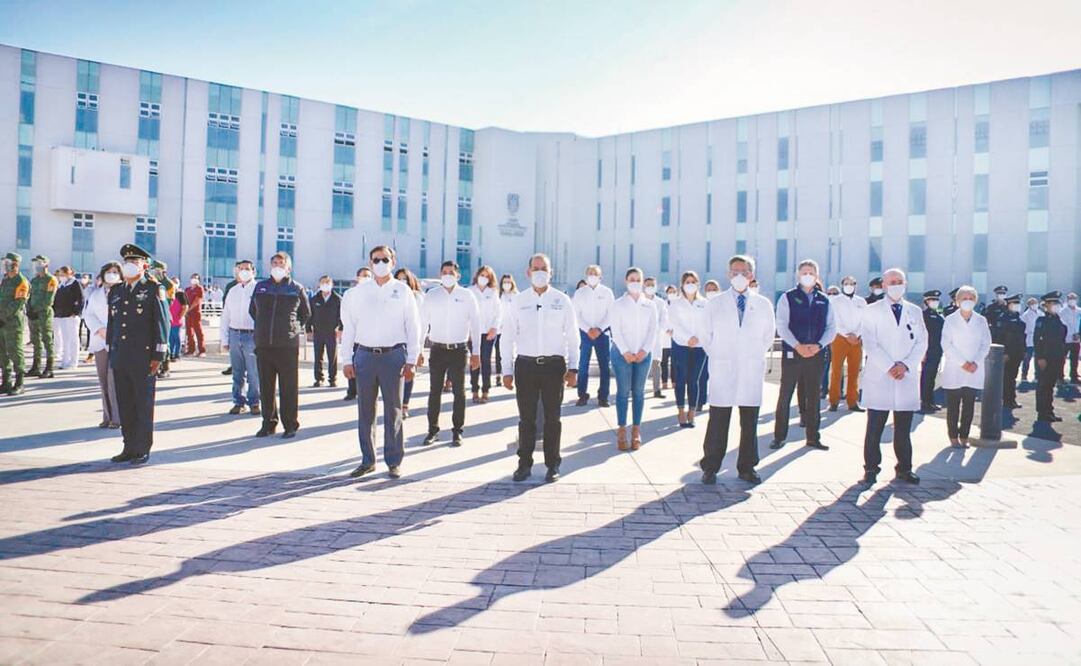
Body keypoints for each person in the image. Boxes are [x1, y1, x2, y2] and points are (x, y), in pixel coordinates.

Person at [342, 246, 421, 479]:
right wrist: (346, 359)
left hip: (393, 356)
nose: (380, 264)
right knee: (365, 411)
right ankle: (367, 460)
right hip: (364, 355)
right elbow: (349, 327)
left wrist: (412, 359)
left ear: (393, 262)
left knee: (393, 410)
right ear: (370, 262)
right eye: (376, 260)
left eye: (385, 259)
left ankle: (394, 461)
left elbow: (413, 326)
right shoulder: (358, 292)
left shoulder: (403, 291)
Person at [501, 253, 579, 483]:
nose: (539, 273)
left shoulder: (562, 300)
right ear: (528, 272)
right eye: (535, 269)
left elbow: (572, 336)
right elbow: (508, 337)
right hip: (526, 366)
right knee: (526, 419)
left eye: (543, 269)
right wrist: (506, 370)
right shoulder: (519, 301)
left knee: (553, 418)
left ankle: (552, 464)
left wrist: (573, 368)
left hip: (553, 366)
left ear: (550, 272)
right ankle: (524, 464)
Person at [700, 255, 775, 485]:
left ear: (752, 275)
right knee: (718, 419)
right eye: (735, 271)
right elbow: (705, 335)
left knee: (749, 420)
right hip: (723, 366)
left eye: (744, 271)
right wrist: (720, 355)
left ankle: (747, 467)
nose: (739, 276)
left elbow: (768, 336)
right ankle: (710, 467)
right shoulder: (715, 303)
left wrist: (751, 354)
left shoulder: (763, 304)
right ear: (728, 274)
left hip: (750, 367)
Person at [859, 268, 926, 485]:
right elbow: (870, 343)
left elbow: (921, 342)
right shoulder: (871, 310)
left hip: (905, 375)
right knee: (875, 427)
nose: (896, 285)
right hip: (881, 375)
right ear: (884, 285)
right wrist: (889, 366)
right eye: (892, 282)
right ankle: (871, 468)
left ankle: (904, 468)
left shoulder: (915, 311)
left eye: (899, 281)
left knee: (903, 428)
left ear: (905, 284)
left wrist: (905, 365)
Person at [107, 244, 168, 464]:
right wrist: (111, 350)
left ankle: (142, 448)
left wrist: (158, 356)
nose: (130, 266)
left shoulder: (153, 289)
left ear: (144, 266)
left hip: (143, 357)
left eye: (135, 262)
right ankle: (129, 446)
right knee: (125, 404)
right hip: (121, 356)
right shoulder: (116, 290)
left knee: (143, 404)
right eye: (127, 262)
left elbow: (162, 324)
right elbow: (112, 324)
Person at [770, 260, 836, 451]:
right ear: (798, 275)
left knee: (814, 398)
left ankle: (813, 437)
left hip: (816, 354)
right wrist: (797, 346)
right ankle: (779, 437)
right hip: (793, 353)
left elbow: (831, 328)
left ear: (817, 275)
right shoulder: (788, 297)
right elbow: (782, 325)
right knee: (785, 395)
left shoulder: (824, 300)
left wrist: (819, 345)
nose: (808, 275)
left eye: (811, 272)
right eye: (804, 272)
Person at [249, 252, 310, 439]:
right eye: (274, 263)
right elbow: (253, 311)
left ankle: (290, 424)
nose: (277, 266)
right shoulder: (261, 287)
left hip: (287, 346)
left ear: (288, 267)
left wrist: (292, 329)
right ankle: (268, 423)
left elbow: (305, 314)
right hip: (264, 345)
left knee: (288, 387)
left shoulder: (296, 288)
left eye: (281, 263)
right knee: (266, 387)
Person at [421, 260, 482, 447]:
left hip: (458, 350)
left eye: (451, 272)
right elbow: (423, 323)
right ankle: (433, 430)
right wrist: (418, 349)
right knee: (435, 391)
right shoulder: (432, 295)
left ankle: (457, 431)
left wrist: (476, 352)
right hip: (437, 349)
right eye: (445, 272)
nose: (448, 275)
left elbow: (476, 324)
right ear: (440, 274)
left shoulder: (467, 295)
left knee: (459, 392)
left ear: (458, 275)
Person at [609, 267, 657, 451]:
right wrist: (626, 352)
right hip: (622, 355)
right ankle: (622, 429)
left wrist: (644, 350)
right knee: (623, 391)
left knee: (638, 392)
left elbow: (653, 330)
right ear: (626, 281)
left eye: (638, 279)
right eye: (632, 279)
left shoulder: (649, 305)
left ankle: (636, 430)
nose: (635, 282)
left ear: (643, 282)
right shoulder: (618, 304)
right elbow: (616, 331)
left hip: (643, 354)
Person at [941, 286, 992, 448]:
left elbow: (986, 343)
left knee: (969, 406)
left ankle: (964, 436)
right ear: (957, 301)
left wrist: (975, 362)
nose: (967, 301)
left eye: (971, 298)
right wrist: (963, 363)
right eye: (964, 298)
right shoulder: (950, 319)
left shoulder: (981, 320)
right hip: (955, 368)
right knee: (953, 406)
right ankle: (953, 436)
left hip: (974, 369)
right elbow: (946, 344)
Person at [220, 260, 260, 416]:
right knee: (237, 372)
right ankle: (238, 401)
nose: (244, 271)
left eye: (247, 269)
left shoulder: (259, 289)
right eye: (241, 269)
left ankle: (254, 401)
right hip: (235, 334)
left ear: (253, 271)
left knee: (253, 372)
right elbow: (226, 315)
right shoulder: (233, 290)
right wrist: (224, 339)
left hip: (252, 335)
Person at [84, 262, 122, 428]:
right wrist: (99, 329)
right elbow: (88, 314)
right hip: (100, 340)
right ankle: (107, 416)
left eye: (115, 272)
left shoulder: (124, 292)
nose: (112, 275)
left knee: (115, 380)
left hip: (119, 341)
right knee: (103, 380)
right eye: (109, 271)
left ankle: (117, 418)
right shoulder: (96, 294)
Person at [669, 271, 708, 428]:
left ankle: (692, 412)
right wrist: (688, 338)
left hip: (700, 346)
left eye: (693, 282)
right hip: (681, 345)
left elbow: (707, 323)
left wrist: (698, 338)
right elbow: (674, 323)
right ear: (682, 285)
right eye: (687, 282)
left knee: (694, 380)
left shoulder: (704, 303)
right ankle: (680, 411)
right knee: (681, 379)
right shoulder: (676, 304)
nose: (690, 285)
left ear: (698, 284)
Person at [572, 264, 615, 408]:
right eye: (590, 273)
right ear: (586, 275)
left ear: (600, 276)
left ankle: (603, 397)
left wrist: (599, 329)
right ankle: (582, 395)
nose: (592, 276)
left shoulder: (607, 292)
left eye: (595, 273)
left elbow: (611, 314)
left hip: (602, 334)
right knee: (583, 365)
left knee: (605, 366)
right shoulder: (580, 293)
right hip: (584, 334)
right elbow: (575, 314)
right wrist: (587, 329)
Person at [828, 275, 866, 412]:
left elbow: (864, 320)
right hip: (840, 338)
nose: (849, 286)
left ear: (856, 285)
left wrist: (857, 334)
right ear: (842, 285)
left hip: (857, 339)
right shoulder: (835, 301)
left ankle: (852, 401)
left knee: (854, 371)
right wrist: (846, 334)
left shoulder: (861, 301)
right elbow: (835, 320)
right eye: (846, 283)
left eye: (852, 283)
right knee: (836, 370)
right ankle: (834, 401)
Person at [394, 267, 425, 418]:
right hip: (394, 342)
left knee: (408, 373)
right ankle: (396, 405)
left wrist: (420, 348)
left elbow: (422, 324)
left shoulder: (418, 297)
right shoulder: (392, 295)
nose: (402, 282)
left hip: (411, 341)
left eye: (405, 279)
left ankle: (404, 404)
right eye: (399, 279)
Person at [468, 265, 502, 403]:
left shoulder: (492, 292)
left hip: (488, 333)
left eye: (487, 276)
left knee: (486, 361)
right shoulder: (470, 291)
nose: (484, 278)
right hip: (473, 333)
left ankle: (486, 390)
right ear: (477, 275)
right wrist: (468, 331)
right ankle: (474, 390)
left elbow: (498, 313)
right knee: (475, 361)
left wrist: (494, 328)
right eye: (482, 275)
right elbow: (466, 313)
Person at [1033, 291, 1067, 423]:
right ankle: (1042, 412)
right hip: (1045, 358)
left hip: (1056, 358)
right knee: (1044, 385)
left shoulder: (1058, 320)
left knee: (1050, 386)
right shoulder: (1042, 320)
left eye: (1057, 303)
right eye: (1053, 303)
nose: (1056, 305)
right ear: (1046, 305)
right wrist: (1040, 357)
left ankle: (1049, 411)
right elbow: (1037, 340)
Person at [341, 266, 373, 401]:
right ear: (357, 278)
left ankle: (366, 392)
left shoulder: (376, 293)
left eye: (368, 276)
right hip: (356, 338)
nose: (366, 278)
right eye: (363, 275)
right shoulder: (350, 294)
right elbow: (346, 317)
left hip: (371, 338)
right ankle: (352, 391)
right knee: (354, 365)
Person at [0, 252, 30, 395]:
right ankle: (6, 382)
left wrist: (3, 317)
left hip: (13, 322)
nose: (4, 266)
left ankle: (20, 382)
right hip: (1, 321)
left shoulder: (21, 281)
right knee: (2, 351)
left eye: (7, 263)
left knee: (15, 351)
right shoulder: (6, 280)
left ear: (15, 265)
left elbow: (18, 303)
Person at [307, 275, 343, 388]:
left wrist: (341, 329)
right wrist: (308, 329)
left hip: (332, 332)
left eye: (327, 282)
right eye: (323, 282)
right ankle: (318, 378)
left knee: (332, 357)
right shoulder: (314, 299)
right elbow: (309, 315)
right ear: (319, 284)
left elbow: (342, 316)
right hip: (318, 331)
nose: (325, 285)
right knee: (318, 356)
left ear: (332, 284)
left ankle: (332, 379)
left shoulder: (337, 299)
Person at [993, 293, 1026, 410]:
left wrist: (1023, 350)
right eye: (1015, 303)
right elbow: (999, 337)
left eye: (1018, 303)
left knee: (1012, 377)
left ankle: (1011, 399)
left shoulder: (1018, 317)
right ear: (1009, 304)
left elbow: (1021, 337)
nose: (1017, 305)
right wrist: (1004, 353)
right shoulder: (1003, 318)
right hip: (1007, 353)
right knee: (1007, 378)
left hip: (1017, 353)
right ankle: (1006, 400)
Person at [26, 255, 57, 379]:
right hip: (33, 314)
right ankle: (36, 366)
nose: (37, 266)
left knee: (47, 340)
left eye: (40, 263)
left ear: (46, 265)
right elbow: (30, 296)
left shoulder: (51, 280)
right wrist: (29, 309)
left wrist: (36, 310)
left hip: (44, 314)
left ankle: (49, 368)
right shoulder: (34, 280)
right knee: (35, 340)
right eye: (36, 264)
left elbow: (49, 300)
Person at [52, 265, 83, 370]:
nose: (61, 276)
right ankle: (65, 361)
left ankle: (73, 362)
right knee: (66, 339)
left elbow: (81, 299)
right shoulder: (62, 285)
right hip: (62, 315)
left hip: (71, 316)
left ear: (69, 273)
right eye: (60, 274)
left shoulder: (75, 283)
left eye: (63, 274)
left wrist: (76, 312)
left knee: (73, 339)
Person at [643, 276, 669, 399]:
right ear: (643, 286)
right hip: (641, 338)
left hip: (656, 338)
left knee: (656, 364)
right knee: (641, 365)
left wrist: (658, 330)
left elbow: (664, 319)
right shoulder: (640, 300)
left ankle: (657, 390)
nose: (650, 287)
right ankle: (637, 388)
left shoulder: (660, 302)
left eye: (652, 285)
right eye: (648, 285)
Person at [920, 290, 945, 413]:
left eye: (936, 300)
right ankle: (925, 402)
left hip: (937, 350)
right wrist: (923, 352)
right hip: (927, 351)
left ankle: (930, 401)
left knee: (932, 377)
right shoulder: (923, 316)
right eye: (932, 300)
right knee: (927, 377)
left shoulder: (939, 315)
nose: (935, 302)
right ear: (926, 301)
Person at [496, 274, 518, 385]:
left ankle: (515, 374)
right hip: (501, 329)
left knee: (515, 353)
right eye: (505, 282)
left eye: (509, 282)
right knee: (501, 353)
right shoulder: (498, 296)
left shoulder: (517, 296)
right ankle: (499, 375)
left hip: (515, 329)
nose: (507, 284)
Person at [184, 273, 206, 356]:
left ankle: (202, 351)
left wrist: (189, 309)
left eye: (196, 278)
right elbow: (184, 300)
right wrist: (184, 310)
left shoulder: (199, 289)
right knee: (189, 332)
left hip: (196, 313)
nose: (194, 279)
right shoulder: (187, 289)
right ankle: (191, 350)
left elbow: (197, 300)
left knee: (198, 332)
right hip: (188, 314)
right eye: (193, 278)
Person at [1020, 296, 1041, 383]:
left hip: (1038, 339)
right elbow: (1022, 328)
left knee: (1038, 358)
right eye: (1032, 303)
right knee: (1027, 358)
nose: (1034, 305)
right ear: (1029, 305)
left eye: (1035, 303)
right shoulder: (1025, 315)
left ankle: (1037, 375)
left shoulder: (1040, 313)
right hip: (1028, 339)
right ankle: (1024, 375)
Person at [167, 277, 187, 363]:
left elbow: (185, 307)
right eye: (173, 282)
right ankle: (170, 354)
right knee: (170, 338)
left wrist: (180, 316)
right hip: (169, 320)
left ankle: (177, 354)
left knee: (177, 337)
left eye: (176, 282)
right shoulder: (168, 293)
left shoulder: (180, 294)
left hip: (177, 320)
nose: (174, 283)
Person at [1062, 292, 1080, 384]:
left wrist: (1079, 334)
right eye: (1070, 298)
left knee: (1075, 360)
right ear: (1067, 300)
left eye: (1074, 298)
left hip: (1076, 339)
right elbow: (1062, 325)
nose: (1072, 300)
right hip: (1065, 339)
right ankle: (1060, 376)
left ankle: (1074, 376)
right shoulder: (1063, 311)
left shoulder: (1079, 311)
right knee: (1062, 359)